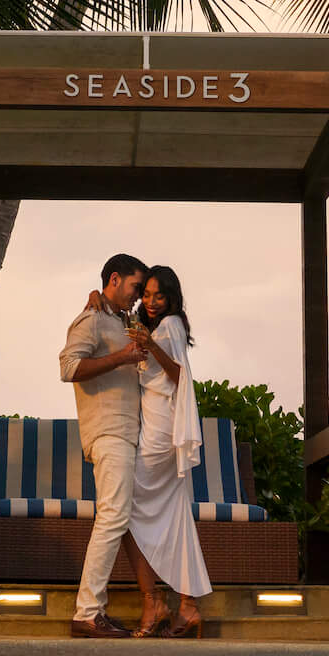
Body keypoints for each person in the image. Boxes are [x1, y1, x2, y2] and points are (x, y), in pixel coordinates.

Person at [58, 252, 161, 638]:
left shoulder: (123, 320)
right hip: (108, 432)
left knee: (124, 516)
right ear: (114, 280)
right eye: (136, 287)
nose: (139, 295)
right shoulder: (91, 319)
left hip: (132, 435)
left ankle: (128, 605)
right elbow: (68, 367)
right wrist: (122, 357)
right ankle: (87, 612)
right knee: (114, 516)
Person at [125, 265, 209, 637]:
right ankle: (187, 607)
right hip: (158, 426)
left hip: (160, 433)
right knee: (177, 518)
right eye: (147, 294)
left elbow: (179, 375)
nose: (152, 302)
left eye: (159, 295)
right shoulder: (155, 327)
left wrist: (150, 345)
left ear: (171, 298)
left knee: (124, 509)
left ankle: (153, 600)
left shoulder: (170, 326)